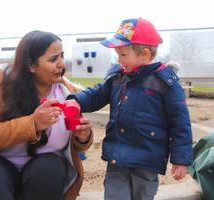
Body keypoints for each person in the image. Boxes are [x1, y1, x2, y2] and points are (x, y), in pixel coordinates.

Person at [67, 18, 193, 200]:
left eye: (123, 54)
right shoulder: (117, 77)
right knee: (114, 194)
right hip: (117, 156)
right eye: (118, 54)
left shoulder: (165, 83)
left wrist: (181, 159)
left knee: (142, 195)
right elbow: (96, 94)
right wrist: (77, 101)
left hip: (147, 159)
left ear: (145, 54)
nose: (119, 60)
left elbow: (180, 122)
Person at [0, 30, 93, 200]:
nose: (61, 64)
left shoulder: (67, 92)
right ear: (31, 65)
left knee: (50, 168)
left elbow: (79, 146)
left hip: (44, 168)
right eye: (53, 59)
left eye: (62, 56)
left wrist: (82, 136)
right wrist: (33, 123)